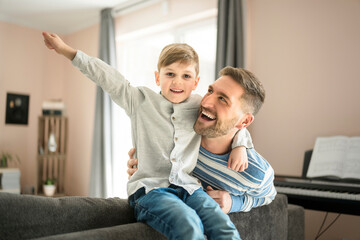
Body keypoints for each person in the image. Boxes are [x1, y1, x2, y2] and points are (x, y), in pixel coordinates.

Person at [42, 32, 253, 239]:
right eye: (170, 74)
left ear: (196, 82)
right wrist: (67, 51)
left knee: (222, 226)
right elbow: (106, 77)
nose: (177, 82)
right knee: (188, 223)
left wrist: (241, 145)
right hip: (150, 191)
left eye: (186, 76)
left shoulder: (200, 105)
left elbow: (233, 121)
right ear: (157, 77)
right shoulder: (139, 100)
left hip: (190, 189)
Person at [128, 66, 277, 214]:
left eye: (223, 99)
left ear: (244, 122)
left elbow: (268, 196)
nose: (205, 103)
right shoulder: (180, 130)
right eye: (210, 91)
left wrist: (234, 202)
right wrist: (142, 168)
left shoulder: (256, 172)